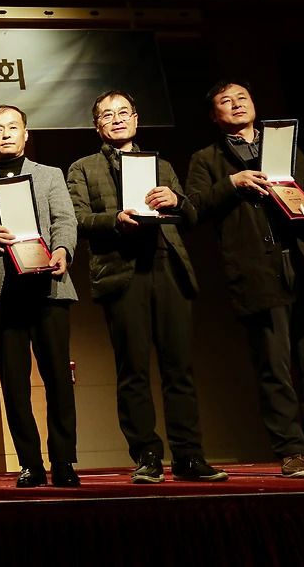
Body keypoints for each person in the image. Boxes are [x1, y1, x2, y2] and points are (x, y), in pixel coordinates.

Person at [185, 80, 304, 478]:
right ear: (214, 116)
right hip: (257, 269)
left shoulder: (282, 144)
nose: (236, 104)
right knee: (274, 367)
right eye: (225, 101)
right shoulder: (206, 158)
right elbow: (194, 207)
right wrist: (232, 183)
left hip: (303, 263)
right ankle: (291, 450)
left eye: (242, 98)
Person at [66, 90, 227, 484]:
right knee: (133, 371)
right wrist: (114, 219)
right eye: (108, 115)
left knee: (179, 369)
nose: (117, 119)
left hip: (168, 266)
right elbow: (77, 219)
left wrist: (176, 200)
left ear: (136, 119)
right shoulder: (83, 168)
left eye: (124, 112)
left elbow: (191, 215)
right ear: (97, 126)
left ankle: (189, 455)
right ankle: (147, 455)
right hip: (121, 273)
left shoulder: (162, 165)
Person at [0, 104, 80, 488]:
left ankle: (63, 462)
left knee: (58, 378)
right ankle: (29, 463)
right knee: (14, 383)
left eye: (14, 127)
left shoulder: (50, 175)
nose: (7, 133)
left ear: (26, 134)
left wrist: (63, 249)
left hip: (49, 286)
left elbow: (65, 219)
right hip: (2, 290)